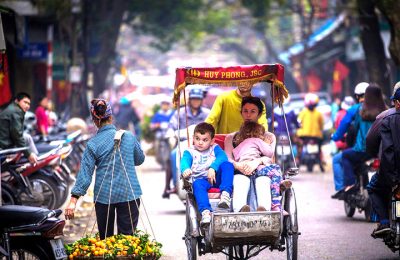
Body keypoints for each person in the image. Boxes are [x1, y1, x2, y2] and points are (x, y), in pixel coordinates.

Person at [64, 99, 145, 239]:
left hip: (104, 196)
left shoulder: (93, 144)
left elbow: (85, 175)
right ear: (111, 117)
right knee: (127, 242)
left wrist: (73, 201)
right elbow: (140, 159)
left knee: (106, 242)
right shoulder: (129, 137)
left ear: (94, 120)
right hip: (129, 193)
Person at [224, 97, 288, 212]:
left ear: (259, 114)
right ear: (241, 113)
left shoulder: (269, 137)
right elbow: (228, 158)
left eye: (252, 111)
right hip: (239, 170)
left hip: (261, 170)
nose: (248, 115)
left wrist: (257, 162)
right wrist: (238, 165)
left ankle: (265, 210)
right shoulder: (231, 138)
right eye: (245, 111)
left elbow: (270, 158)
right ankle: (240, 210)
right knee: (240, 181)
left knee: (263, 181)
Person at [332, 83, 386, 194]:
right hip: (384, 152)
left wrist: (336, 137)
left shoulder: (358, 111)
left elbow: (349, 127)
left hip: (363, 150)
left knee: (341, 158)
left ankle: (349, 184)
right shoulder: (386, 110)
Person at [180, 122, 234, 226]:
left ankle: (225, 194)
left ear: (212, 141)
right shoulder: (190, 151)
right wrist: (185, 169)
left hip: (216, 179)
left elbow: (222, 157)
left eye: (205, 140)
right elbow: (184, 161)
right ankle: (205, 212)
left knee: (227, 165)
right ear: (193, 139)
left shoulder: (214, 148)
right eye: (197, 138)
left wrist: (213, 168)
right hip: (201, 181)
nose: (200, 143)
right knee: (197, 184)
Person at [163, 87, 210, 198]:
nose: (195, 101)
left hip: (202, 144)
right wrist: (171, 134)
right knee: (174, 154)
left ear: (201, 100)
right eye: (193, 99)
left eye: (198, 99)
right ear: (189, 100)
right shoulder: (179, 113)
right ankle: (174, 184)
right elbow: (171, 126)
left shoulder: (207, 113)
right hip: (184, 143)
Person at [367, 84, 400, 237]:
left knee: (373, 187)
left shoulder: (385, 117)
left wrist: (372, 155)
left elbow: (374, 143)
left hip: (391, 173)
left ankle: (384, 222)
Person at [232, 121, 283, 211]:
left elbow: (236, 157)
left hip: (242, 169)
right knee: (276, 169)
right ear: (257, 134)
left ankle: (241, 209)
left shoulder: (238, 146)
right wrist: (266, 143)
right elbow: (269, 153)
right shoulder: (257, 140)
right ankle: (275, 199)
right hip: (256, 168)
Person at [0, 92, 37, 164]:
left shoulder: (14, 109)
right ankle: (36, 161)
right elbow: (17, 136)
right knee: (26, 138)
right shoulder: (16, 111)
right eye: (25, 102)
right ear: (17, 101)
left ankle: (36, 159)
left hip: (7, 141)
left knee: (27, 137)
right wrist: (29, 154)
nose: (27, 105)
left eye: (28, 104)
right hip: (4, 145)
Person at [330, 96, 355, 199]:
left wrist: (335, 137)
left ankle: (343, 187)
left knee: (338, 159)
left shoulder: (351, 112)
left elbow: (339, 129)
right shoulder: (381, 109)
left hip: (355, 148)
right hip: (375, 149)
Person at [296, 93, 324, 168]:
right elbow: (321, 125)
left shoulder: (303, 112)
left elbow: (298, 122)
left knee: (300, 147)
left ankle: (298, 159)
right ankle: (321, 161)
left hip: (304, 135)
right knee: (319, 148)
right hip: (316, 135)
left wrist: (299, 127)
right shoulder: (318, 113)